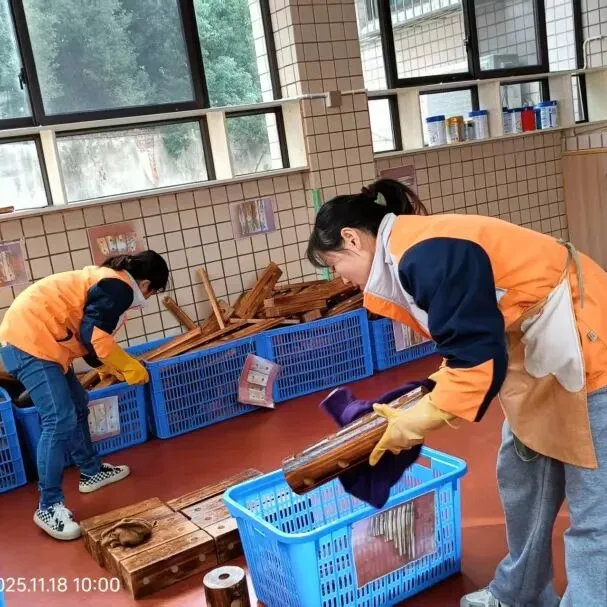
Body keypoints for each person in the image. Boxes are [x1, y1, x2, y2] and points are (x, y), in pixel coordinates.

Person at [307, 178, 607, 607]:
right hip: (538, 354)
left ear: (352, 239)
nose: (340, 278)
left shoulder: (426, 253)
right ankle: (519, 592)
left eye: (333, 264)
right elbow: (465, 343)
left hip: (590, 348)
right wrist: (426, 398)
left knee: (595, 511)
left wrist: (418, 420)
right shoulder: (407, 256)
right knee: (522, 482)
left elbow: (476, 361)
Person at [0, 251, 169, 541]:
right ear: (145, 284)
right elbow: (94, 336)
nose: (149, 297)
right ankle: (48, 506)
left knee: (78, 403)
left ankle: (91, 471)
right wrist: (129, 366)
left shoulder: (111, 280)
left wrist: (110, 365)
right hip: (29, 342)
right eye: (153, 292)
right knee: (59, 419)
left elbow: (91, 342)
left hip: (45, 342)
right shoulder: (120, 287)